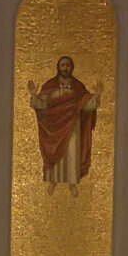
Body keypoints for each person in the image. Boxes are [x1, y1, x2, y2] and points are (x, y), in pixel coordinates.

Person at [27, 55, 103, 196]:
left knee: (72, 152)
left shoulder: (78, 87)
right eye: (63, 65)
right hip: (53, 127)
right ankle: (53, 181)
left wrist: (96, 96)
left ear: (72, 67)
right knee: (54, 150)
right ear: (58, 67)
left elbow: (86, 107)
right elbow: (42, 105)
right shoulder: (50, 86)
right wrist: (34, 96)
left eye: (68, 65)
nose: (65, 68)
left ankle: (72, 183)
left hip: (73, 125)